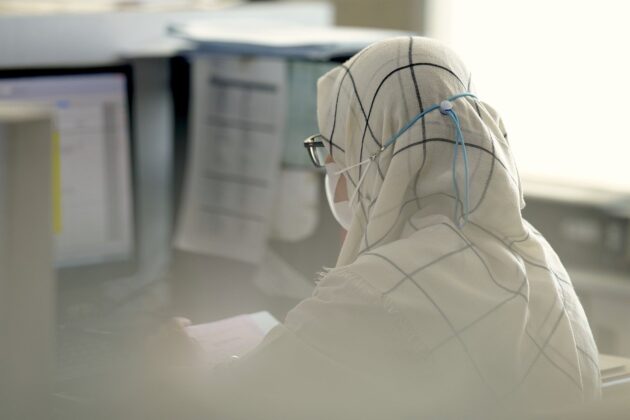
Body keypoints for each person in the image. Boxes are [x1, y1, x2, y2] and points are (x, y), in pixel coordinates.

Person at [157, 36, 601, 419]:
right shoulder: (538, 258)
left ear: (377, 156)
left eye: (337, 152)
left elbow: (228, 400)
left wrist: (177, 363)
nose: (338, 180)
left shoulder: (377, 292)